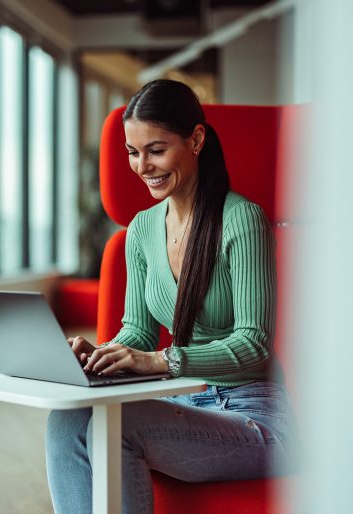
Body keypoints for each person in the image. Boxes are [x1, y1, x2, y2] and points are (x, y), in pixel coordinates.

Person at [45, 79, 295, 514]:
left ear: (196, 139)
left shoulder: (242, 220)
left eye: (156, 150)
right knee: (67, 419)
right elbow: (138, 331)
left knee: (120, 427)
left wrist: (162, 361)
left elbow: (255, 347)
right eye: (132, 152)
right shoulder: (141, 229)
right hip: (179, 400)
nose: (142, 166)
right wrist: (103, 354)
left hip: (251, 415)